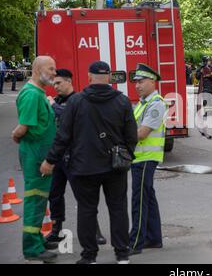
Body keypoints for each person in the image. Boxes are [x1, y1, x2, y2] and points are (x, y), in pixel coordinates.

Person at [40, 61, 138, 264]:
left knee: (87, 211)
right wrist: (125, 155)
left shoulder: (77, 102)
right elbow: (131, 136)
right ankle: (122, 255)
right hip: (115, 167)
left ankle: (90, 257)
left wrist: (50, 160)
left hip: (85, 167)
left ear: (89, 76)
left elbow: (63, 136)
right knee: (118, 209)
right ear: (109, 78)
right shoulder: (122, 101)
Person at [44, 69, 107, 246]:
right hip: (57, 156)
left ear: (69, 81)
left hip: (74, 157)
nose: (55, 87)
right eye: (53, 84)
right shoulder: (55, 101)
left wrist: (53, 107)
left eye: (59, 83)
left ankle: (95, 231)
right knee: (54, 195)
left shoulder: (79, 100)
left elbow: (65, 116)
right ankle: (56, 230)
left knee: (83, 196)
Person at [11, 56, 58, 263]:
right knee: (34, 200)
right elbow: (23, 127)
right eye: (51, 69)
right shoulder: (31, 95)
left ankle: (37, 239)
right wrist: (15, 135)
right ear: (38, 70)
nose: (55, 73)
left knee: (40, 200)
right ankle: (32, 248)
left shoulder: (39, 93)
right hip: (35, 157)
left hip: (40, 155)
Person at [128, 63, 167, 256]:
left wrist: (120, 138)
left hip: (145, 159)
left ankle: (135, 242)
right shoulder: (143, 103)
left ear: (153, 81)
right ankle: (154, 238)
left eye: (141, 81)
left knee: (139, 200)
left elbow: (142, 133)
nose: (137, 85)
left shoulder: (155, 104)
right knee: (148, 199)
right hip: (140, 158)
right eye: (135, 82)